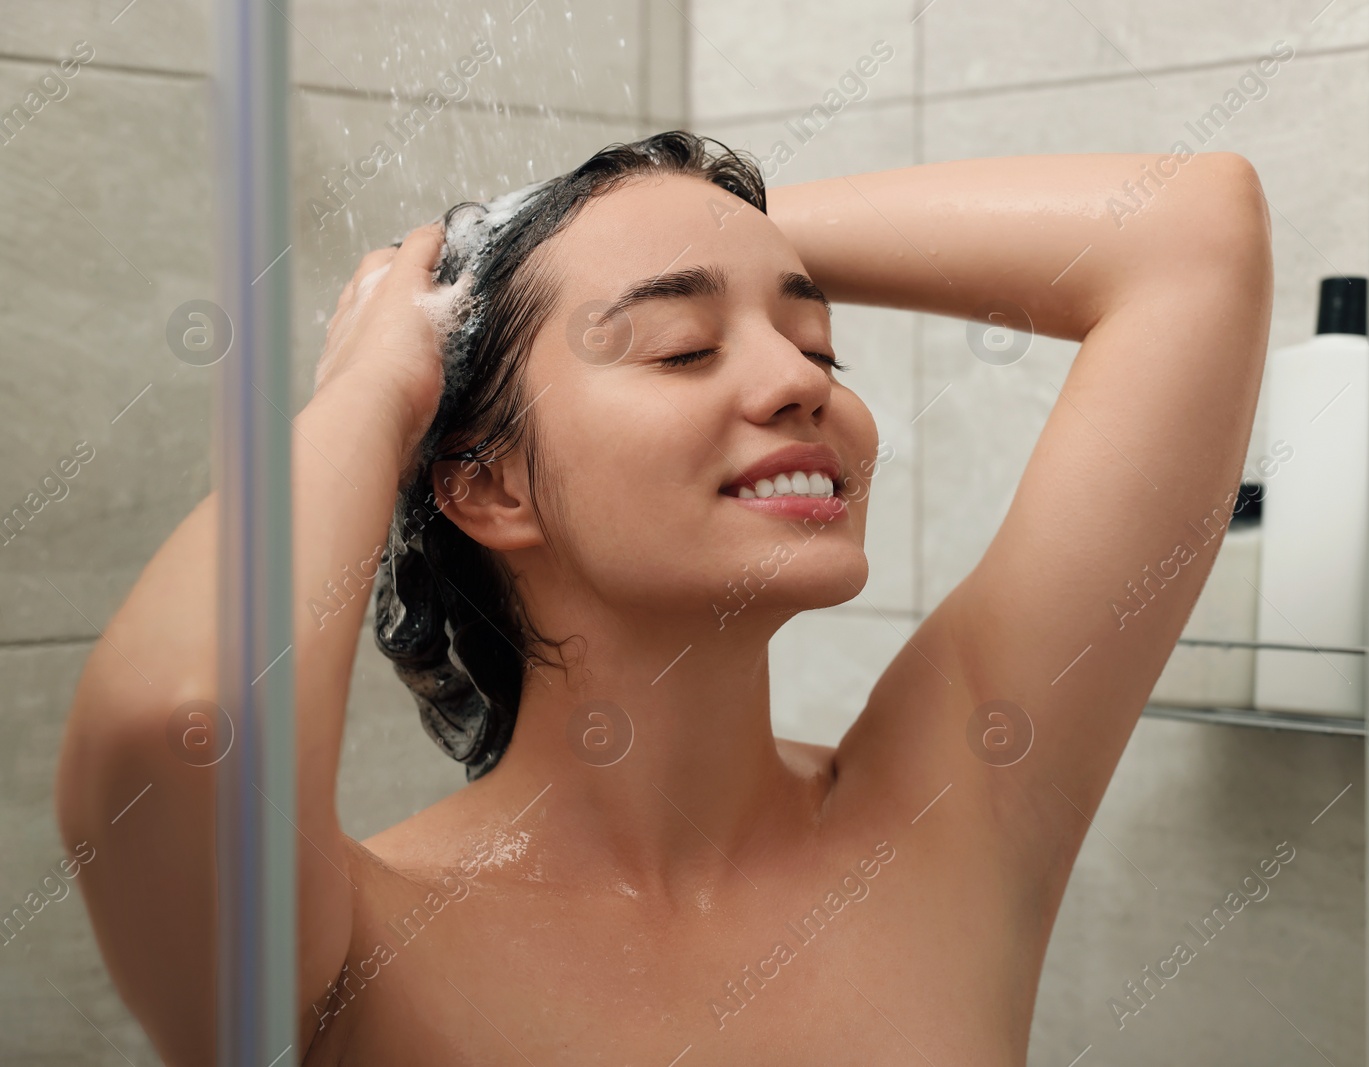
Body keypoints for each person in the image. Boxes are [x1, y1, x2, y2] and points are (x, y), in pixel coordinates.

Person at [56, 131, 1273, 1065]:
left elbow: (1187, 234)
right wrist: (378, 381)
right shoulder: (344, 956)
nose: (801, 382)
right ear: (487, 484)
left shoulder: (957, 811)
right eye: (684, 345)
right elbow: (179, 715)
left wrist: (649, 227)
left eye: (816, 343)